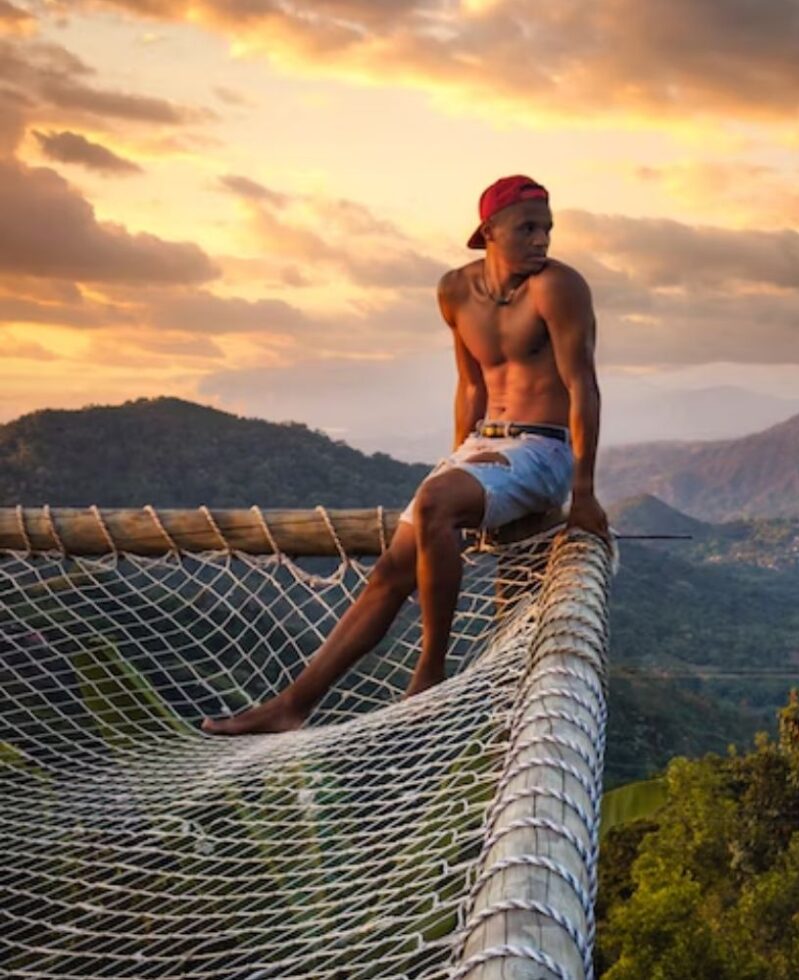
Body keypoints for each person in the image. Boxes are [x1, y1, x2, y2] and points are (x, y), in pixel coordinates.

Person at [203, 175, 609, 735]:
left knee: (436, 504)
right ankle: (293, 704)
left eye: (547, 229)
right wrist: (463, 469)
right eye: (528, 228)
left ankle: (430, 672)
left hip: (542, 448)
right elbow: (470, 386)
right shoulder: (455, 292)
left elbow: (582, 384)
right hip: (483, 449)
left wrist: (584, 493)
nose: (542, 240)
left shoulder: (558, 287)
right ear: (488, 231)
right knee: (394, 568)